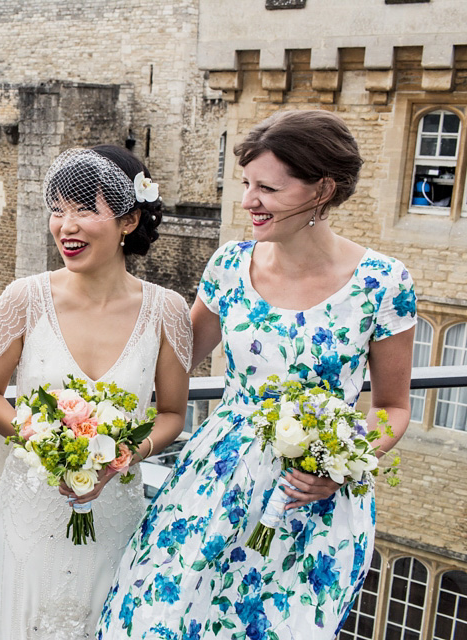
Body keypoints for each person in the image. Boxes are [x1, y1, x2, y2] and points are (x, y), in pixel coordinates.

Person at [99, 110, 416, 639]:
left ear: (322, 190)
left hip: (311, 501)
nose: (248, 201)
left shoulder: (384, 282)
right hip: (214, 484)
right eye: (246, 184)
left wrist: (340, 466)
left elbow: (392, 407)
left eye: (266, 188)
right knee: (159, 620)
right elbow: (169, 362)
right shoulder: (229, 265)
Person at [0, 146, 192, 639]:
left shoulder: (168, 311)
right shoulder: (23, 298)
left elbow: (173, 413)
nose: (65, 225)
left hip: (116, 511)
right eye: (57, 209)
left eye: (85, 210)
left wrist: (123, 458)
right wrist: (47, 448)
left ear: (129, 221)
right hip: (32, 507)